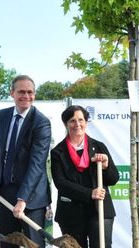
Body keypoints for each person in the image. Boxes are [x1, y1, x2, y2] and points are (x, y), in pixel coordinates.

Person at [0, 75, 51, 248]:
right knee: (8, 243)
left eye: (30, 92)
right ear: (12, 93)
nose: (26, 96)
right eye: (21, 92)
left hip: (32, 198)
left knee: (33, 244)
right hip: (5, 192)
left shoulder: (41, 122)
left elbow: (37, 164)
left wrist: (23, 199)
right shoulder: (2, 116)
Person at [51, 105, 119, 248]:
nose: (77, 124)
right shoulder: (58, 152)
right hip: (71, 214)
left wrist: (106, 166)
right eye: (72, 121)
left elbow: (113, 179)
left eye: (81, 120)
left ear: (86, 122)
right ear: (66, 124)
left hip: (99, 211)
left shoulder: (99, 147)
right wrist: (89, 193)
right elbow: (61, 184)